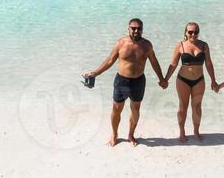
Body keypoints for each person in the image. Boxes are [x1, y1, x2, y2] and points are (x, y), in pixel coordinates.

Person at [82, 18, 164, 147]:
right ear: (128, 29)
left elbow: (154, 61)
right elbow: (110, 61)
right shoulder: (120, 43)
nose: (136, 31)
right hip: (122, 81)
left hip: (138, 81)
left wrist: (162, 78)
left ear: (142, 30)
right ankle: (114, 134)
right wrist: (95, 73)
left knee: (135, 109)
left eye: (139, 28)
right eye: (133, 28)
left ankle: (131, 134)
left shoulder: (147, 45)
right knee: (116, 108)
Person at [164, 21, 215, 143]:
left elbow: (208, 63)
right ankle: (182, 132)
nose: (193, 34)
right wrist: (165, 79)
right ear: (185, 33)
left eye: (195, 32)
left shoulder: (204, 45)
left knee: (197, 107)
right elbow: (173, 64)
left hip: (199, 80)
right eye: (190, 32)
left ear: (198, 33)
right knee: (183, 107)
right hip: (183, 80)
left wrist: (213, 80)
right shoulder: (180, 45)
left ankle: (196, 131)